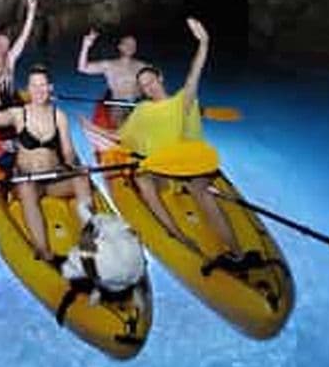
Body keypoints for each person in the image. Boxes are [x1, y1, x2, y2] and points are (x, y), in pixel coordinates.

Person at [83, 18, 243, 261]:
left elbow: (194, 73)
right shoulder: (143, 111)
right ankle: (177, 234)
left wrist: (204, 43)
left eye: (150, 81)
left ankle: (236, 252)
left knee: (202, 192)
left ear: (160, 79)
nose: (147, 87)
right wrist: (92, 128)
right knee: (144, 180)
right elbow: (120, 135)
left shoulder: (182, 100)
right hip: (165, 168)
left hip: (186, 165)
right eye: (143, 85)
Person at [0, 59, 93, 263]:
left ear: (50, 88)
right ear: (29, 89)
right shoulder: (18, 114)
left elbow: (67, 151)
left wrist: (76, 167)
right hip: (28, 182)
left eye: (43, 85)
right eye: (34, 85)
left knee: (81, 179)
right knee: (25, 186)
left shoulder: (59, 116)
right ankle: (42, 248)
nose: (39, 90)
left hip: (53, 181)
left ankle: (90, 237)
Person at [77, 29, 146, 102]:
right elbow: (82, 68)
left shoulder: (141, 66)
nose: (130, 47)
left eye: (133, 44)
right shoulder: (109, 65)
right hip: (118, 104)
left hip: (138, 103)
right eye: (127, 44)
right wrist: (85, 46)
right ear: (120, 46)